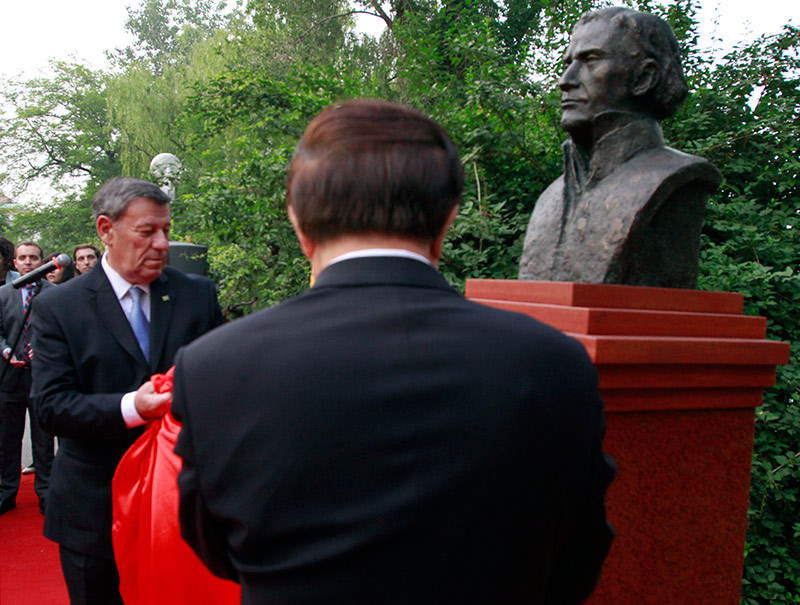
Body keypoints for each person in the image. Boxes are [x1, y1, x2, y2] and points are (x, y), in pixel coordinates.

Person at [172, 100, 615, 603]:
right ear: (448, 219)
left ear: (297, 220)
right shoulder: (555, 363)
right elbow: (579, 555)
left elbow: (215, 547)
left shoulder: (213, 367)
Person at [31, 177, 224, 605]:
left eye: (166, 230)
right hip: (93, 510)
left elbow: (225, 379)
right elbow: (50, 406)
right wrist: (132, 407)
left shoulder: (196, 295)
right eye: (147, 231)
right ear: (106, 229)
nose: (162, 244)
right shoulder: (59, 307)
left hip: (182, 506)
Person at [518, 7, 720, 288]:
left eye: (590, 60)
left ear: (644, 77)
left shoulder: (675, 178)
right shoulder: (550, 198)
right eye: (568, 64)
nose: (565, 81)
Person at [0, 241, 55, 516]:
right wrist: (6, 351)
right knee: (7, 440)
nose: (28, 262)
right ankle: (7, 492)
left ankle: (46, 493)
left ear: (42, 262)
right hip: (9, 377)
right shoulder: (3, 294)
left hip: (42, 377)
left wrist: (45, 348)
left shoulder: (56, 293)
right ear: (15, 262)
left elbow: (63, 331)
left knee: (44, 440)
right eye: (23, 258)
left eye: (34, 257)